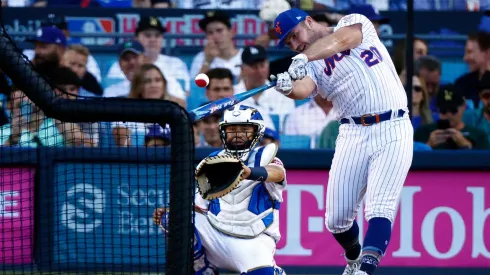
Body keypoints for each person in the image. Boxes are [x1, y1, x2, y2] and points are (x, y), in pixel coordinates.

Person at [272, 8, 413, 275]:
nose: (294, 44)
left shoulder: (353, 22)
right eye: (288, 43)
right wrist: (287, 87)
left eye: (295, 35)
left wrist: (302, 56)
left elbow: (341, 40)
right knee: (336, 220)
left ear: (309, 21)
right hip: (352, 132)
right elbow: (303, 89)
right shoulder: (310, 64)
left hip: (393, 125)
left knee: (380, 207)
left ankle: (365, 270)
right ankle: (354, 258)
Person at [153, 105, 287, 275]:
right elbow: (199, 204)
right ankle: (203, 268)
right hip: (216, 235)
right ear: (223, 132)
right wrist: (170, 212)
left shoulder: (266, 157)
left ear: (256, 132)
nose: (238, 133)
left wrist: (249, 172)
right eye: (232, 129)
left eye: (245, 128)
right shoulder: (214, 160)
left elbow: (278, 173)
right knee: (173, 219)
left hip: (253, 239)